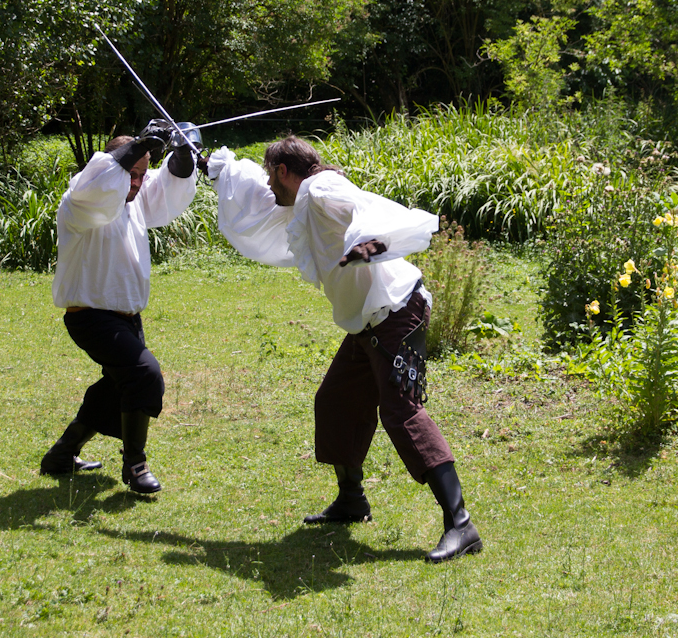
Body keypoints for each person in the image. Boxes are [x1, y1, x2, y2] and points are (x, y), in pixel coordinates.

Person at [206, 136, 483, 563]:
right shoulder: (305, 198)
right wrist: (214, 165)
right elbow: (257, 197)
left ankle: (461, 524)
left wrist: (371, 243)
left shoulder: (320, 188)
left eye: (271, 175)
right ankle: (352, 500)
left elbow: (366, 208)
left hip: (396, 312)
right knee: (336, 401)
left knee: (402, 412)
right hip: (368, 323)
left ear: (284, 171)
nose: (269, 185)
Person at [38, 120, 199, 494]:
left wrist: (182, 152)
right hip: (90, 316)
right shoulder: (80, 201)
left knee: (116, 386)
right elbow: (98, 187)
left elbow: (167, 189)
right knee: (144, 375)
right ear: (111, 170)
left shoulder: (136, 198)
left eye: (142, 174)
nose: (137, 182)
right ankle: (135, 464)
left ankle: (62, 454)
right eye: (131, 173)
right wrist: (139, 145)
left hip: (127, 318)